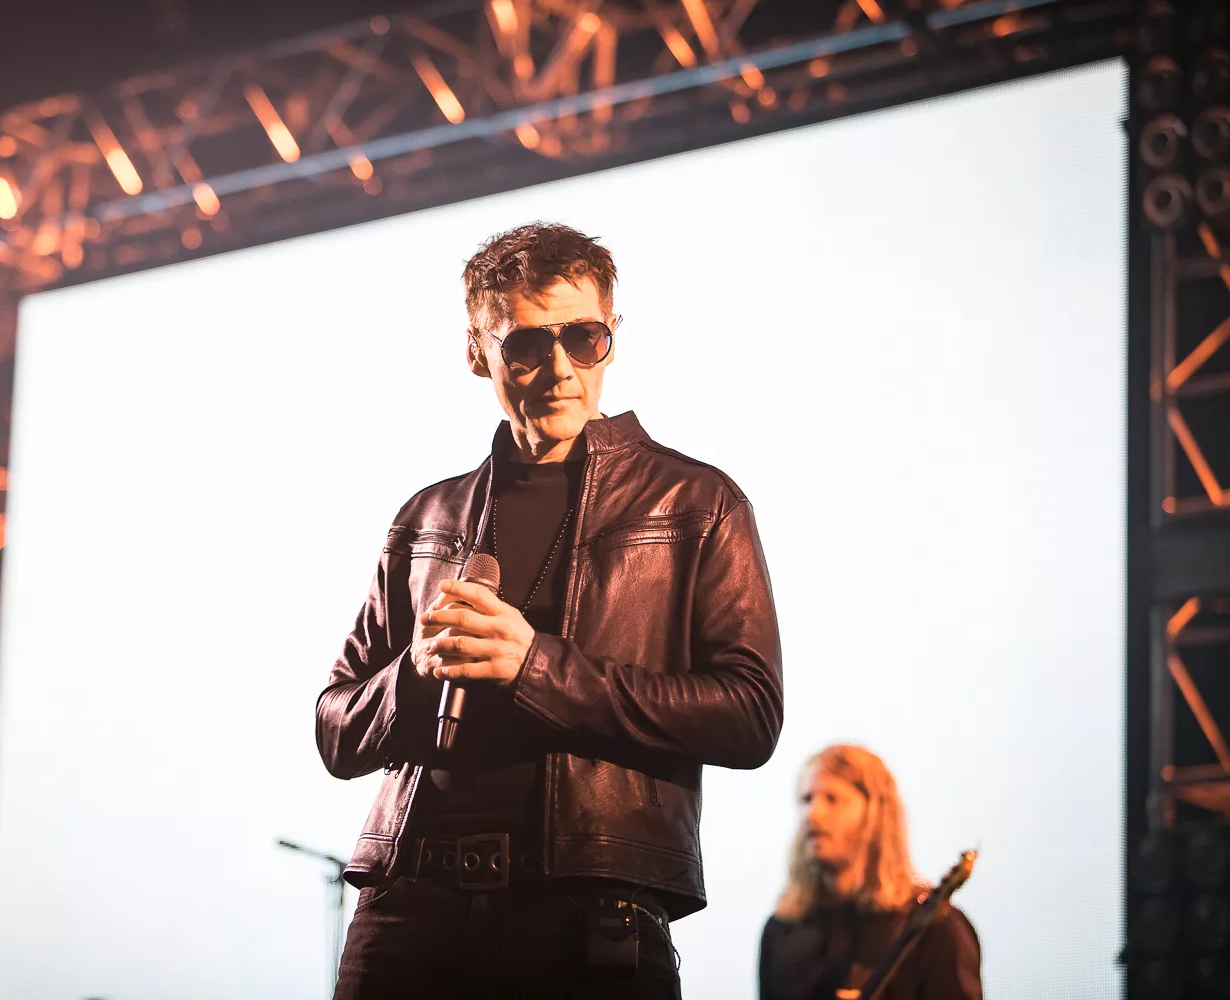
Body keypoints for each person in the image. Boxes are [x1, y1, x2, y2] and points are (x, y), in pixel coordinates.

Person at [316, 222, 783, 999]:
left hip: (587, 916)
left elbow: (750, 714)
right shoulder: (426, 520)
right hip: (407, 912)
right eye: (528, 344)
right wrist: (416, 672)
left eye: (583, 338)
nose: (560, 368)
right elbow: (335, 730)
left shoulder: (696, 504)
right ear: (478, 351)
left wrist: (534, 667)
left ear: (611, 336)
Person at [759, 745, 983, 1000]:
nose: (813, 814)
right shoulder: (782, 929)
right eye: (806, 799)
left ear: (876, 815)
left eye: (832, 799)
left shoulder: (935, 927)